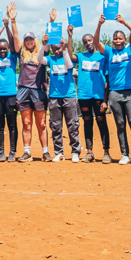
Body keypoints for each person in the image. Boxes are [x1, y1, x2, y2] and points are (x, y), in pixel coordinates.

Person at [93, 13, 131, 166]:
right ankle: (125, 154)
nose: (118, 41)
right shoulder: (109, 52)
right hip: (115, 93)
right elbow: (96, 42)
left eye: (120, 38)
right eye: (115, 39)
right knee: (120, 124)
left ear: (125, 40)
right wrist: (99, 25)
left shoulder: (130, 50)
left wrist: (126, 24)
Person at [14, 14, 50, 162]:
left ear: (35, 41)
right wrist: (13, 20)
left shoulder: (42, 54)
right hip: (23, 90)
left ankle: (45, 152)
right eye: (26, 39)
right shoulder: (21, 54)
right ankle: (27, 152)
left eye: (31, 39)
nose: (29, 41)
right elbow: (15, 36)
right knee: (26, 123)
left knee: (41, 124)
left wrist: (51, 21)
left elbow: (47, 40)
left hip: (38, 90)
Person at [0, 4, 21, 162]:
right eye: (0, 49)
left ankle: (12, 153)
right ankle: (1, 152)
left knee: (13, 125)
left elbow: (14, 44)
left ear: (8, 49)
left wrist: (8, 26)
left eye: (5, 49)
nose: (2, 51)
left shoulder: (12, 57)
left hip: (11, 95)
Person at [77, 23, 110, 163]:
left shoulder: (103, 57)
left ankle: (106, 152)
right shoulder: (80, 56)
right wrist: (70, 36)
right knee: (87, 122)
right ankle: (89, 152)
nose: (88, 43)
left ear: (94, 41)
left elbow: (107, 81)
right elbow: (69, 54)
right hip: (84, 96)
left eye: (90, 40)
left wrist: (105, 100)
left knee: (101, 122)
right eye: (85, 42)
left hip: (98, 96)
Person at [47, 23, 80, 162]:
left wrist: (67, 44)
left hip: (69, 96)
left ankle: (75, 151)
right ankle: (59, 152)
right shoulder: (50, 59)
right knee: (56, 125)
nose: (57, 52)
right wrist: (45, 43)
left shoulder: (66, 58)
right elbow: (39, 59)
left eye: (59, 48)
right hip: (54, 96)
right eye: (54, 49)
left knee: (72, 124)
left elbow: (69, 64)